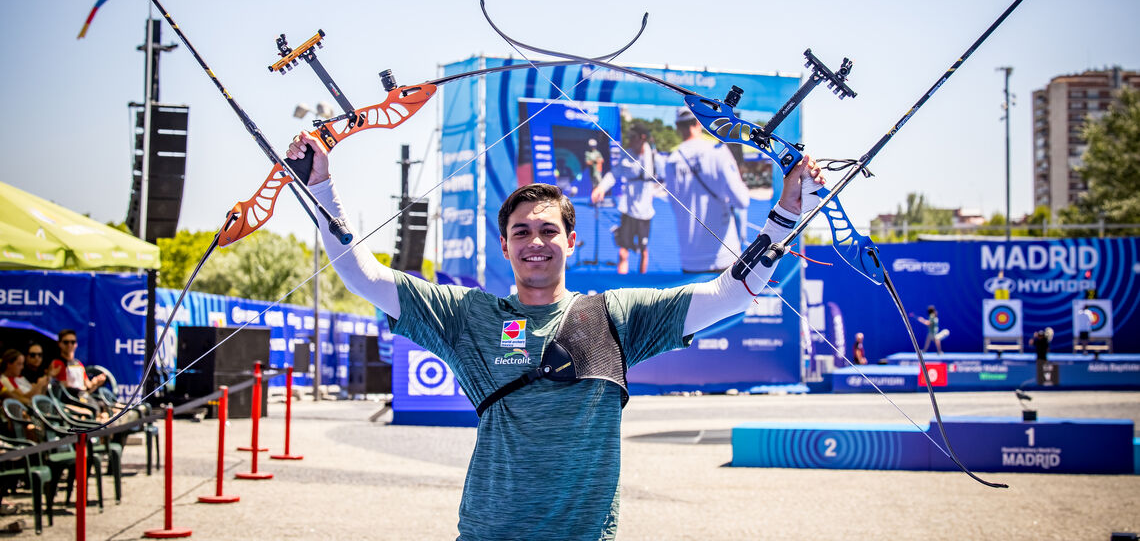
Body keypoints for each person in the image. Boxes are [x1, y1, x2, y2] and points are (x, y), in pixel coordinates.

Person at [287, 132, 823, 541]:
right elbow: (365, 276)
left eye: (548, 231)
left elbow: (729, 295)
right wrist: (321, 187)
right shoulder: (469, 316)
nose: (535, 242)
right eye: (521, 231)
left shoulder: (615, 315)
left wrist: (787, 213)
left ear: (571, 240)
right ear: (505, 246)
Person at [664, 107, 751, 273]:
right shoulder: (717, 152)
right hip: (724, 256)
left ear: (677, 126)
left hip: (690, 259)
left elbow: (674, 205)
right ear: (699, 123)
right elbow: (742, 201)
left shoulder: (671, 161)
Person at [590, 123, 664, 274]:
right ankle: (620, 286)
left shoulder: (655, 157)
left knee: (644, 251)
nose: (629, 141)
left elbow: (665, 179)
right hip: (628, 212)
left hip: (645, 214)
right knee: (623, 251)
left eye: (633, 137)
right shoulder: (627, 154)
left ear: (642, 138)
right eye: (629, 137)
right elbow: (614, 174)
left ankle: (643, 283)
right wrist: (601, 187)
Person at [47, 329, 106, 398]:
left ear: (76, 344)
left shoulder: (78, 364)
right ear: (59, 344)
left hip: (80, 399)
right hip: (67, 402)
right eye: (66, 342)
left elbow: (87, 387)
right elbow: (66, 389)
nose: (69, 345)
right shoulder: (58, 363)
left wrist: (96, 383)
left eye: (72, 342)